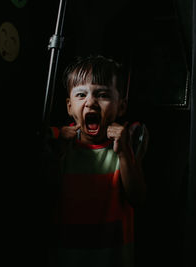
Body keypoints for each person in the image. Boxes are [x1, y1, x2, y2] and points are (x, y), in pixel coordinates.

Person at [47, 55, 148, 267]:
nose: (90, 102)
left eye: (102, 95)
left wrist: (123, 153)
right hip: (66, 257)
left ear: (121, 106)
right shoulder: (58, 141)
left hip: (114, 258)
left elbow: (138, 197)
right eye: (81, 94)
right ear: (69, 106)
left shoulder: (131, 138)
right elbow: (45, 197)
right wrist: (57, 154)